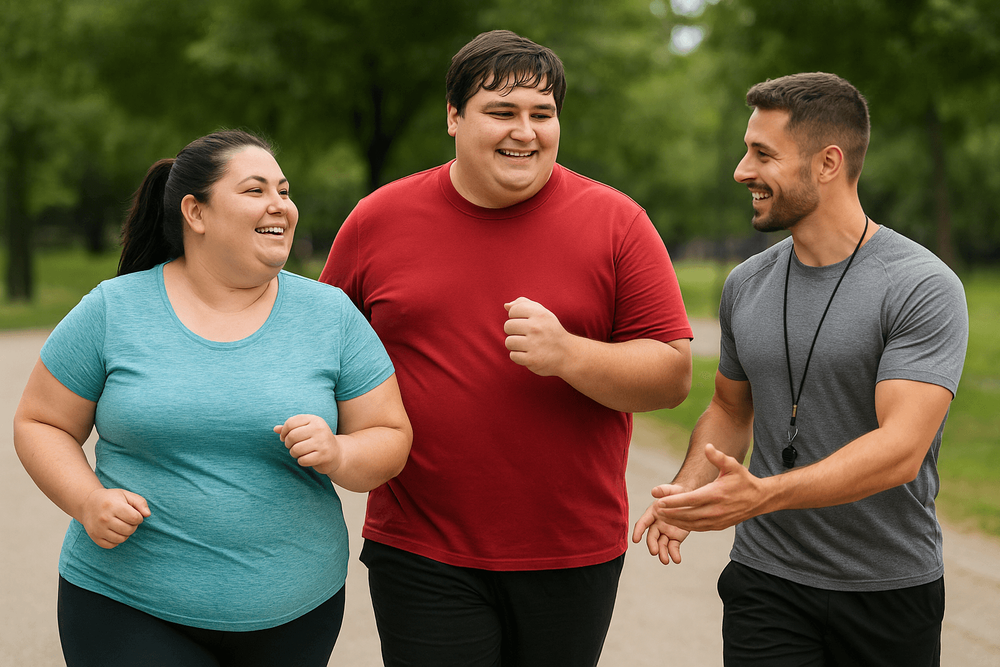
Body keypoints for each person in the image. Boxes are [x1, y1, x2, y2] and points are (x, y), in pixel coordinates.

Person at [319, 29, 693, 667]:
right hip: (420, 544)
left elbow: (672, 375)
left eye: (542, 115)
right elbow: (320, 356)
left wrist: (568, 354)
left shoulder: (617, 222)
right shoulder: (378, 220)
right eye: (502, 112)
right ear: (454, 118)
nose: (526, 131)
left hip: (571, 548)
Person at [13, 130, 412, 667]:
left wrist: (341, 453)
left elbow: (391, 438)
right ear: (194, 212)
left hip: (296, 613)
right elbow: (40, 421)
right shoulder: (114, 309)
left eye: (285, 191)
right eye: (255, 191)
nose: (281, 206)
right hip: (125, 603)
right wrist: (87, 501)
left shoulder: (330, 315)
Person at [632, 72, 968, 666]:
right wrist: (688, 493)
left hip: (888, 588)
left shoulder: (921, 287)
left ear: (828, 163)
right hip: (767, 582)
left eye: (762, 154)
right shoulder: (747, 284)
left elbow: (899, 450)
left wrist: (761, 496)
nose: (741, 170)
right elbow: (731, 410)